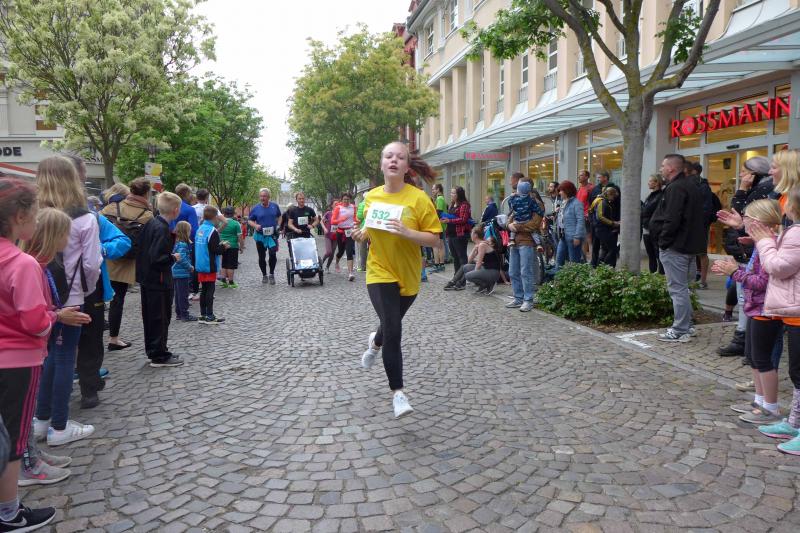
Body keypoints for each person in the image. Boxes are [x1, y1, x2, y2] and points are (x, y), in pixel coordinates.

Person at [351, 142, 441, 419]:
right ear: (382, 164)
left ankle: (375, 343)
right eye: (388, 156)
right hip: (379, 271)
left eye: (400, 157)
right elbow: (370, 225)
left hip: (409, 274)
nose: (393, 160)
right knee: (394, 328)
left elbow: (435, 240)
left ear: (406, 166)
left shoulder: (419, 199)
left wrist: (407, 232)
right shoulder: (371, 197)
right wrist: (363, 233)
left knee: (390, 324)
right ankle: (398, 394)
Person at [0, 181, 65, 531]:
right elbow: (35, 322)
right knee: (14, 439)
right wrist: (53, 316)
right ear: (20, 217)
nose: (38, 222)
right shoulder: (22, 263)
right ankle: (9, 513)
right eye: (36, 215)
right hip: (18, 361)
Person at [34, 156, 102, 446]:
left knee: (48, 356)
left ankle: (42, 419)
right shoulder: (84, 218)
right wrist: (86, 292)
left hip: (38, 295)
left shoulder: (33, 214)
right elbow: (91, 264)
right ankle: (59, 426)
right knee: (63, 357)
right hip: (70, 296)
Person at [712, 200, 783, 425]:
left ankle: (770, 407)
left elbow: (762, 282)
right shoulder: (761, 244)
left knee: (763, 360)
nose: (744, 222)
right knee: (753, 357)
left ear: (759, 222)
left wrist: (735, 272)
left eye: (748, 219)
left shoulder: (769, 247)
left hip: (765, 310)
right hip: (755, 308)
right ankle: (759, 402)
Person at [748, 187, 800, 454]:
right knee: (796, 372)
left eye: (787, 201)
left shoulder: (796, 233)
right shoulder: (792, 232)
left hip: (793, 310)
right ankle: (794, 423)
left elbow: (777, 267)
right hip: (791, 312)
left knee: (797, 372)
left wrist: (764, 243)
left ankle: (791, 421)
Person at [717, 156, 774, 358]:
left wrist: (741, 190)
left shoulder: (762, 191)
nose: (740, 175)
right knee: (744, 294)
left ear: (754, 174)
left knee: (748, 295)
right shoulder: (761, 189)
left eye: (743, 171)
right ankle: (746, 342)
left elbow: (741, 212)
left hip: (755, 249)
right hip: (751, 246)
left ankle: (745, 342)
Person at [650, 154, 706, 342]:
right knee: (684, 289)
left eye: (663, 165)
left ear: (671, 168)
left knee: (678, 289)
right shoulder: (691, 185)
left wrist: (663, 242)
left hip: (676, 247)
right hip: (688, 247)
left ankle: (680, 329)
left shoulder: (676, 187)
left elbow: (672, 218)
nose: (660, 168)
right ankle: (686, 325)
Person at [101, 178, 154, 351]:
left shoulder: (111, 208)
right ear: (147, 193)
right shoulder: (147, 215)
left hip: (105, 257)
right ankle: (113, 338)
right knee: (117, 300)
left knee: (96, 300)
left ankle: (92, 338)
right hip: (127, 261)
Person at [137, 192, 184, 367]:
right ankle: (159, 355)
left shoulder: (151, 223)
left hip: (148, 279)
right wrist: (173, 257)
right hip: (158, 281)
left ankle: (156, 350)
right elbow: (157, 258)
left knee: (152, 318)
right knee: (159, 318)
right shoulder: (161, 228)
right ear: (176, 210)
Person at [505, 178, 543, 312]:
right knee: (513, 271)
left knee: (525, 271)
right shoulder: (517, 199)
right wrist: (508, 225)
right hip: (514, 241)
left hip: (527, 241)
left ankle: (528, 299)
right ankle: (518, 297)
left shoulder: (535, 202)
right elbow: (510, 215)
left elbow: (534, 224)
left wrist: (516, 227)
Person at [195, 206, 229, 325]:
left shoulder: (200, 229)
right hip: (209, 264)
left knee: (203, 290)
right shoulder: (212, 231)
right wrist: (224, 246)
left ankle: (203, 315)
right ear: (215, 217)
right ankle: (210, 316)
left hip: (200, 264)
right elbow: (216, 250)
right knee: (210, 290)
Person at [444, 226, 501, 294]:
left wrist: (474, 274)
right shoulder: (479, 245)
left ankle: (488, 284)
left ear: (475, 235)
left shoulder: (482, 245)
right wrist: (474, 249)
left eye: (471, 233)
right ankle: (483, 285)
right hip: (487, 269)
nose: (470, 234)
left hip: (493, 272)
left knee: (468, 276)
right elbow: (468, 261)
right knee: (465, 267)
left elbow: (479, 263)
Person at [248, 188, 282, 285]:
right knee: (261, 256)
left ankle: (271, 274)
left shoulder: (274, 206)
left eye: (264, 196)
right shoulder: (256, 208)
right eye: (261, 196)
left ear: (268, 197)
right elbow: (249, 220)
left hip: (272, 235)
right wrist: (255, 225)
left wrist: (278, 225)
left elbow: (280, 216)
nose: (262, 198)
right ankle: (264, 275)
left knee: (273, 254)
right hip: (260, 236)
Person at [442, 186, 471, 279]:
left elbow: (463, 219)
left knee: (461, 257)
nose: (451, 194)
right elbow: (451, 216)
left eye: (453, 193)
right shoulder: (452, 204)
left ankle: (462, 280)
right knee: (455, 257)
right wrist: (444, 219)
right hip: (451, 234)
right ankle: (456, 278)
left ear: (459, 194)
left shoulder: (464, 205)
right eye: (451, 192)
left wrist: (449, 220)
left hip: (460, 234)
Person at [554, 180, 585, 268]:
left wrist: (577, 237)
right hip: (563, 236)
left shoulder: (576, 203)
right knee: (559, 260)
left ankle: (576, 277)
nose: (559, 193)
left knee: (574, 263)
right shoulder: (563, 202)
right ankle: (559, 276)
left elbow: (580, 220)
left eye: (561, 191)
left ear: (567, 191)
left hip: (573, 237)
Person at [172, 221, 196, 322]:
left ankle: (179, 313)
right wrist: (190, 267)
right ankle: (185, 315)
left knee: (178, 294)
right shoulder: (182, 244)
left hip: (176, 272)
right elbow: (181, 259)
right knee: (183, 294)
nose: (190, 233)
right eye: (189, 231)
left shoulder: (176, 242)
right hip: (182, 272)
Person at [641, 174, 665, 274]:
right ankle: (652, 274)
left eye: (651, 181)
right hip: (647, 227)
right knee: (650, 254)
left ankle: (661, 275)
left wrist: (642, 210)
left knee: (657, 253)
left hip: (655, 228)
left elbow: (646, 210)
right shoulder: (651, 195)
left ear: (657, 183)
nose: (648, 183)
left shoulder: (660, 196)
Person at [331, 192, 357, 281]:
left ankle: (350, 273)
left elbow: (354, 218)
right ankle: (337, 262)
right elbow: (333, 221)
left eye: (348, 199)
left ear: (350, 200)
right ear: (341, 200)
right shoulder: (338, 208)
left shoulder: (353, 207)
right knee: (341, 251)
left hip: (349, 231)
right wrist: (341, 219)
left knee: (349, 251)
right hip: (340, 232)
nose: (346, 201)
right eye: (344, 199)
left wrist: (357, 221)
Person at [593, 187, 621, 267]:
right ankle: (604, 266)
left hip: (603, 229)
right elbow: (600, 217)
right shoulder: (602, 202)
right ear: (609, 194)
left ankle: (601, 267)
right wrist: (613, 223)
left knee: (605, 249)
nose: (614, 199)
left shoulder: (604, 201)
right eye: (613, 196)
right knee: (612, 249)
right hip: (602, 229)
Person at [219, 206, 243, 288]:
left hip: (222, 245)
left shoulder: (220, 222)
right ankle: (231, 282)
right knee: (231, 265)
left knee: (223, 263)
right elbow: (240, 237)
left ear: (224, 214)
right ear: (233, 214)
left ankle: (223, 281)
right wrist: (241, 247)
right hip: (233, 246)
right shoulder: (236, 223)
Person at [429, 184, 448, 272]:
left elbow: (438, 212)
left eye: (434, 189)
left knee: (436, 245)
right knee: (440, 245)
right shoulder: (440, 198)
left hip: (438, 225)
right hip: (441, 225)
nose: (432, 191)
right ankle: (441, 264)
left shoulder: (439, 199)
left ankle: (437, 265)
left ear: (438, 189)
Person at [576, 170, 593, 258]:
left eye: (581, 175)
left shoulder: (591, 188)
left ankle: (591, 258)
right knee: (582, 238)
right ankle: (584, 258)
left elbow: (594, 203)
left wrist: (588, 214)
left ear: (587, 177)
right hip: (579, 216)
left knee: (588, 238)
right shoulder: (579, 188)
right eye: (579, 175)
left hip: (587, 216)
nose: (579, 177)